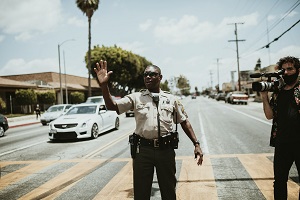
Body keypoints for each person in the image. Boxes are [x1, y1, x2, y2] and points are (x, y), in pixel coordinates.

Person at [94, 60, 203, 200]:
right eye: (146, 74)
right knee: (141, 193)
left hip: (166, 151)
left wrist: (196, 144)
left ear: (160, 77)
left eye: (152, 74)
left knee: (169, 192)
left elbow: (184, 121)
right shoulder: (136, 98)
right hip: (143, 152)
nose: (148, 77)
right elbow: (112, 106)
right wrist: (104, 85)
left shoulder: (171, 99)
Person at [260, 56, 300, 200]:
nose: (287, 72)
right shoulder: (278, 92)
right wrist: (264, 97)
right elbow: (269, 116)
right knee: (279, 181)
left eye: (290, 69)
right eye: (284, 69)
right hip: (282, 143)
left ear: (298, 70)